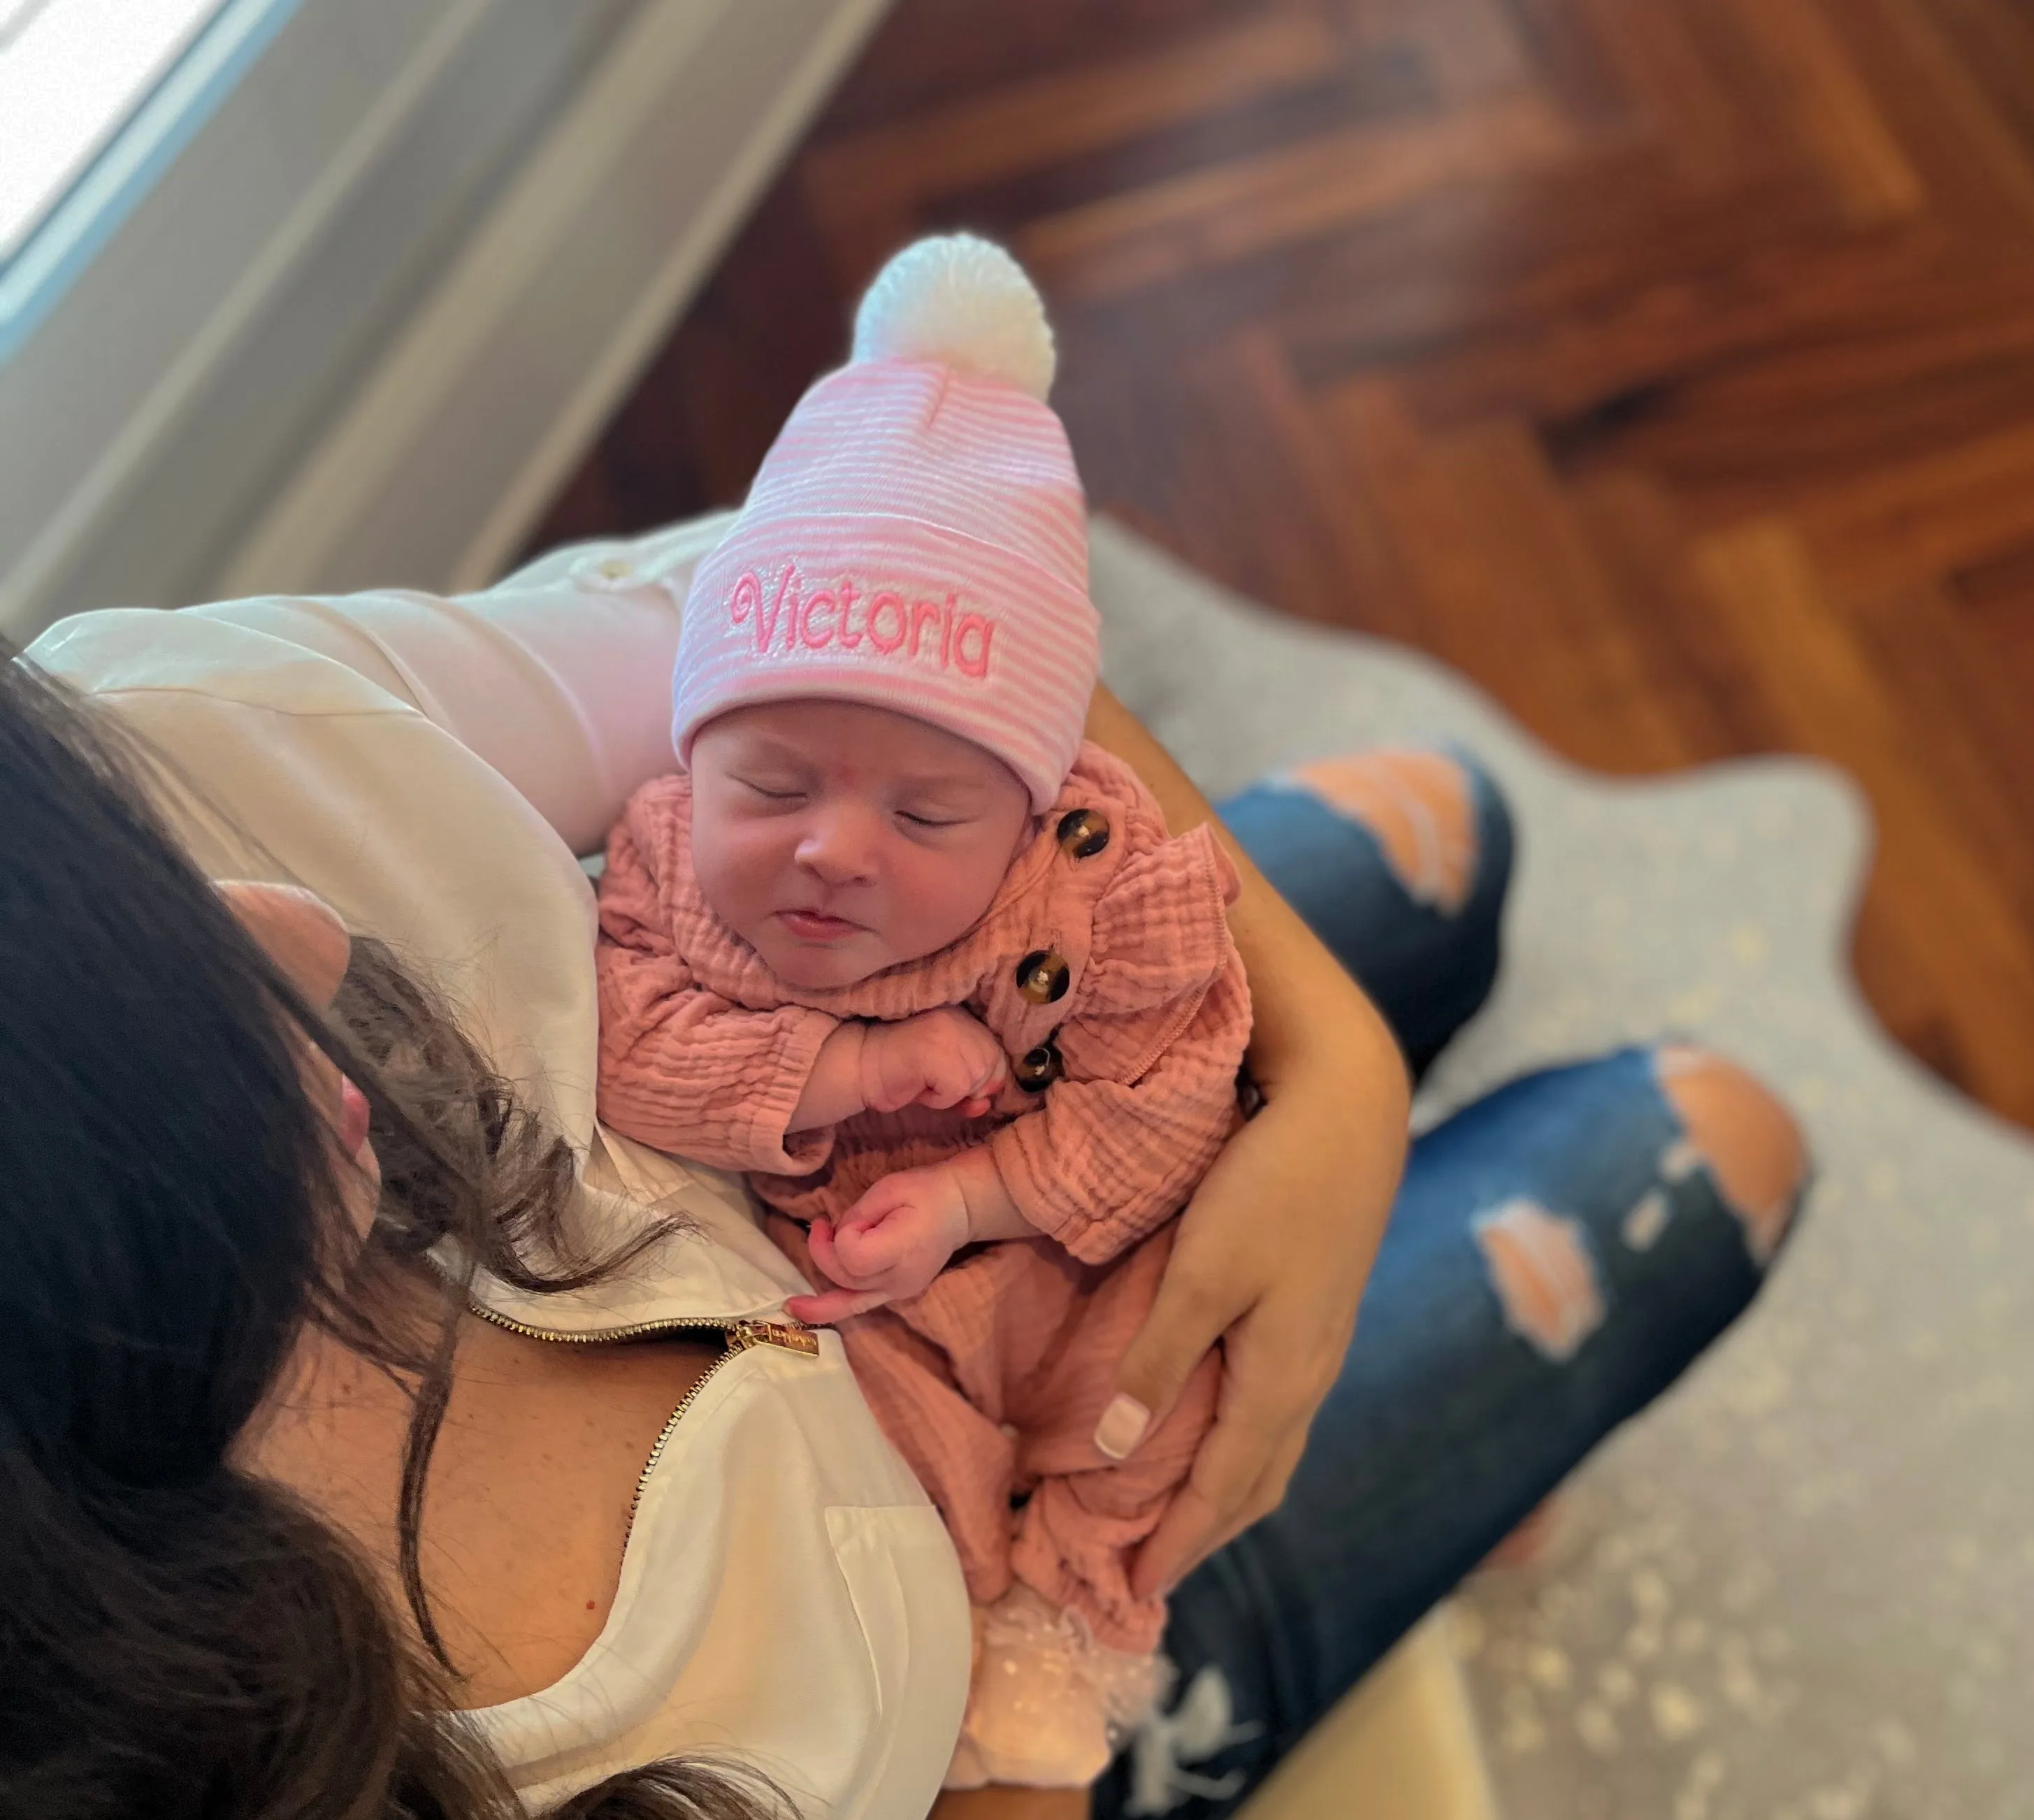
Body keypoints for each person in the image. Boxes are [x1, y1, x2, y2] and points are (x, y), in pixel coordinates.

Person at [4, 501, 1805, 1817]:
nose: (303, 938)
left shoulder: (183, 744)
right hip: (1022, 1656)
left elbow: (881, 587)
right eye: (161, 1063)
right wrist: (1036, 1692)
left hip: (978, 1245)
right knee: (1716, 1145)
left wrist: (1330, 1089)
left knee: (1428, 831)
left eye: (120, 897)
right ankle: (1451, 1487)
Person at [593, 237, 1256, 1790]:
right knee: (875, 1437)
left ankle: (1078, 1599)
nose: (832, 849)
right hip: (850, 1277)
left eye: (928, 812)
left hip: (1056, 1238)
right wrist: (856, 1062)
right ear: (700, 759)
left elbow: (1175, 1087)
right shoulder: (669, 862)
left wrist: (976, 1190)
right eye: (772, 781)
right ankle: (972, 1631)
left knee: (1163, 1379)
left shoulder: (1091, 880)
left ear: (1028, 811)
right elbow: (635, 1049)